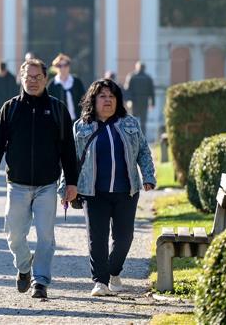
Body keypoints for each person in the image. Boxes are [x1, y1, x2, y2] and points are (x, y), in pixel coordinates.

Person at [0, 58, 78, 299]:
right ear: (21, 79)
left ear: (46, 79)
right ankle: (25, 266)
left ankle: (41, 281)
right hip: (17, 184)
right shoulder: (10, 108)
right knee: (14, 234)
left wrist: (72, 182)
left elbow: (68, 149)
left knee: (46, 235)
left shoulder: (57, 109)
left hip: (48, 184)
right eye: (28, 77)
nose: (33, 81)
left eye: (37, 77)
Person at [64, 78, 156, 297]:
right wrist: (66, 188)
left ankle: (114, 271)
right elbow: (69, 160)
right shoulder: (81, 127)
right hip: (93, 192)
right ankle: (100, 281)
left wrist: (148, 176)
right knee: (97, 238)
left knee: (125, 238)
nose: (108, 100)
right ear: (93, 100)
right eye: (103, 96)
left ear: (118, 100)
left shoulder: (130, 123)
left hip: (126, 190)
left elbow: (143, 151)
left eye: (112, 96)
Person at [47, 53, 86, 121]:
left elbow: (84, 99)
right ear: (56, 67)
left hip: (77, 120)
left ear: (69, 66)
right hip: (59, 122)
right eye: (59, 65)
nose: (63, 68)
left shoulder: (76, 81)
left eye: (65, 65)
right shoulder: (52, 84)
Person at [124, 61, 155, 135]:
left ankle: (134, 136)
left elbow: (127, 89)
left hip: (136, 101)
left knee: (134, 120)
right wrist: (152, 103)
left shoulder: (132, 76)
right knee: (141, 121)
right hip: (141, 101)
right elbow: (152, 92)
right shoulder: (147, 77)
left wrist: (128, 100)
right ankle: (140, 136)